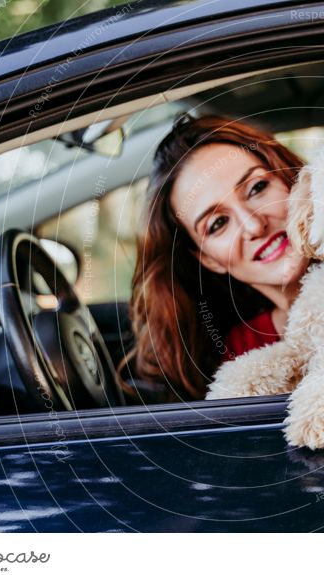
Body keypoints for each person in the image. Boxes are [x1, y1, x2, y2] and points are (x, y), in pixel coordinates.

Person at [124, 113, 311, 401]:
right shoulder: (240, 357)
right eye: (217, 224)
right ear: (207, 258)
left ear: (290, 180)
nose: (253, 225)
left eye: (257, 188)